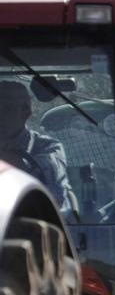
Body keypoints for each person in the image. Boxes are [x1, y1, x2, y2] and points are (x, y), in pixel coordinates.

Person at [0, 80, 74, 211]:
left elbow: (53, 198)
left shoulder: (48, 148)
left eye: (6, 108)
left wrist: (14, 161)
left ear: (26, 112)